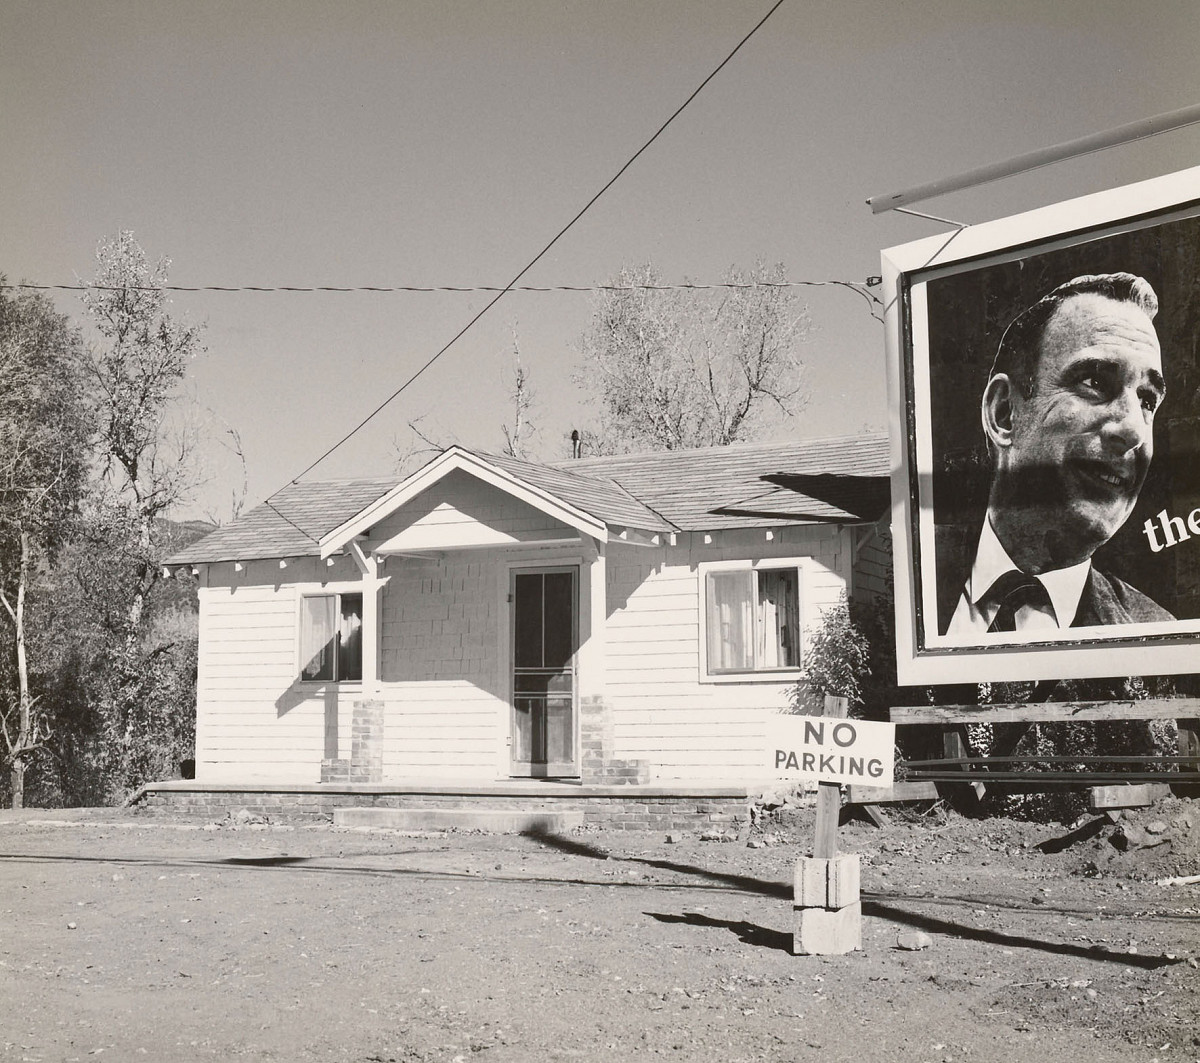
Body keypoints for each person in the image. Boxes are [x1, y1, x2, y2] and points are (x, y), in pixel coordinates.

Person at [937, 272, 1174, 636]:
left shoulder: (1162, 638)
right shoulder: (903, 579)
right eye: (1095, 382)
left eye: (1147, 401)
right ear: (1004, 414)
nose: (1134, 431)